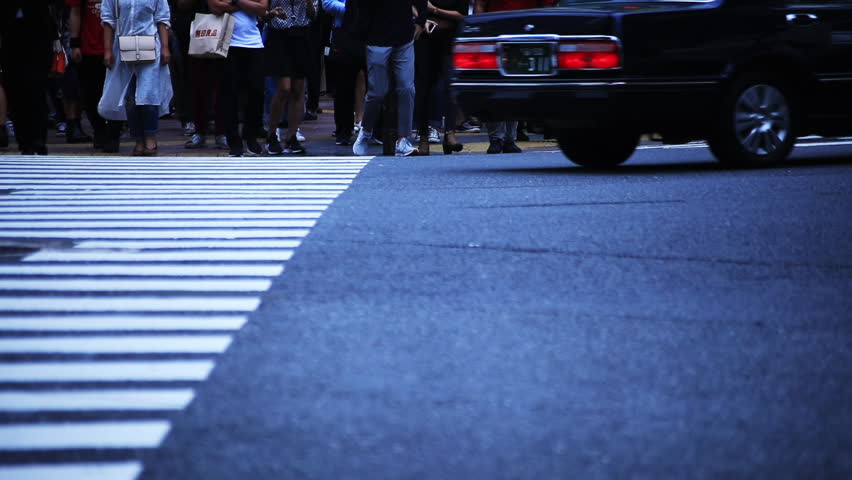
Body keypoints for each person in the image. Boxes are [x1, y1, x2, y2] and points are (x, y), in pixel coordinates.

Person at [473, 0, 555, 154]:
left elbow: (546, 7)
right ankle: (496, 138)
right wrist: (482, 31)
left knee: (515, 87)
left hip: (525, 35)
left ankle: (509, 138)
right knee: (495, 86)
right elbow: (480, 6)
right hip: (496, 34)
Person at [352, 0, 428, 157]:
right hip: (377, 38)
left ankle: (403, 139)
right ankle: (366, 131)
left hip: (403, 37)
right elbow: (361, 9)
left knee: (407, 89)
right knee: (377, 92)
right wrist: (363, 38)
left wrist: (420, 21)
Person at [98, 0, 173, 156]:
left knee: (148, 95)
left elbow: (162, 19)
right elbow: (108, 20)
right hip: (122, 48)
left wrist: (165, 48)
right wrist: (107, 50)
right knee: (130, 98)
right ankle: (138, 139)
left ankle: (150, 137)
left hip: (150, 47)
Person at [208, 0, 267, 157]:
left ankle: (251, 137)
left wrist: (236, 1)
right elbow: (215, 7)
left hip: (254, 44)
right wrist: (247, 5)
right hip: (226, 44)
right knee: (229, 94)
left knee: (256, 92)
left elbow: (262, 8)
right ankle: (233, 140)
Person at [0, 0, 55, 155]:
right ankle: (24, 141)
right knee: (15, 92)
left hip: (38, 38)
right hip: (10, 38)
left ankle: (38, 139)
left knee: (36, 91)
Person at [413, 0, 466, 155]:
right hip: (425, 39)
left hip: (450, 39)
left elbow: (462, 15)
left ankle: (450, 134)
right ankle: (423, 137)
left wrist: (434, 10)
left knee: (451, 85)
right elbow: (412, 5)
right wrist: (422, 19)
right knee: (423, 89)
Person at [264, 0, 317, 155]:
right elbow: (263, 16)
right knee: (284, 88)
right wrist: (273, 14)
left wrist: (308, 4)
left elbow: (313, 15)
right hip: (279, 37)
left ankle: (292, 136)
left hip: (301, 36)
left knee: (298, 89)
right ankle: (271, 135)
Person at [68, 0, 122, 152]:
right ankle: (99, 131)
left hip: (116, 47)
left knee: (115, 93)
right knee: (90, 94)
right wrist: (75, 43)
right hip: (88, 47)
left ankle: (114, 134)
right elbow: (75, 11)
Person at [323, 0, 365, 146]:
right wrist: (350, 8)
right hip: (344, 34)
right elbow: (327, 3)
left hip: (370, 31)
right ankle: (343, 131)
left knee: (376, 84)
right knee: (343, 86)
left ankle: (375, 130)